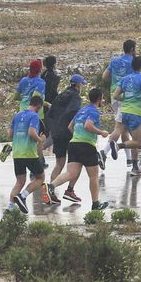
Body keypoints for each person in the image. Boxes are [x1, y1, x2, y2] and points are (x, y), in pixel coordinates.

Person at [60, 86, 110, 210]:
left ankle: (51, 186)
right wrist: (101, 132)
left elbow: (70, 126)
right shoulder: (94, 111)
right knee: (93, 176)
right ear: (99, 99)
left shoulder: (81, 110)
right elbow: (88, 125)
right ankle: (95, 204)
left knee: (71, 173)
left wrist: (77, 136)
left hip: (73, 144)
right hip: (86, 145)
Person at [7, 93, 52, 214]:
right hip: (29, 153)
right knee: (40, 177)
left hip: (17, 153)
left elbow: (10, 135)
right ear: (39, 106)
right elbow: (32, 133)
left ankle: (9, 208)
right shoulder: (34, 116)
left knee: (19, 182)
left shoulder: (17, 115)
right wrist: (40, 139)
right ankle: (22, 196)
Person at [46, 73, 86, 202]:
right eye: (82, 84)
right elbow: (73, 113)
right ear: (78, 85)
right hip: (68, 133)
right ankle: (70, 190)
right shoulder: (75, 97)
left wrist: (53, 129)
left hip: (57, 133)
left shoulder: (60, 95)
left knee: (59, 164)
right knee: (77, 163)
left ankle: (50, 191)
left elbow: (50, 113)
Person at [111, 55, 141, 174]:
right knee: (137, 142)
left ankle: (135, 167)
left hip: (124, 112)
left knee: (134, 140)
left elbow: (115, 95)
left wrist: (126, 97)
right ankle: (118, 146)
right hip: (136, 112)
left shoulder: (125, 78)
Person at [103, 39, 138, 157]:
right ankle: (103, 152)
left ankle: (128, 159)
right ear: (133, 49)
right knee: (119, 127)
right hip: (126, 97)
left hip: (114, 94)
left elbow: (105, 76)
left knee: (124, 128)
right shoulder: (134, 62)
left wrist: (115, 81)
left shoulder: (115, 61)